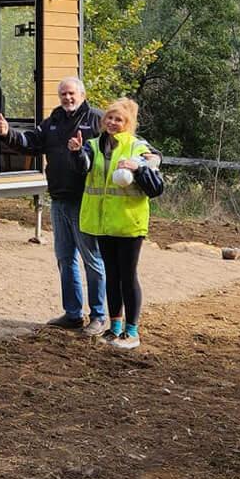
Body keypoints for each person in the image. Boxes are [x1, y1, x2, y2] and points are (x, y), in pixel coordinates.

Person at [0, 77, 108, 336]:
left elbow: (120, 145)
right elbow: (32, 142)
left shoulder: (97, 120)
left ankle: (99, 316)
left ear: (82, 94)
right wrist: (7, 133)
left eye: (71, 94)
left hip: (86, 201)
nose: (67, 98)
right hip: (59, 199)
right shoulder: (54, 121)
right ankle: (73, 314)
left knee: (92, 260)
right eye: (63, 94)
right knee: (65, 259)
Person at [76, 97, 159, 351]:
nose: (112, 122)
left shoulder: (137, 147)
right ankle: (115, 327)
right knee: (111, 276)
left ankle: (132, 332)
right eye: (109, 118)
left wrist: (139, 166)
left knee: (127, 275)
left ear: (128, 124)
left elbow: (155, 173)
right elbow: (82, 166)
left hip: (130, 223)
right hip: (104, 222)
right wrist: (76, 153)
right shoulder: (93, 145)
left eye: (118, 119)